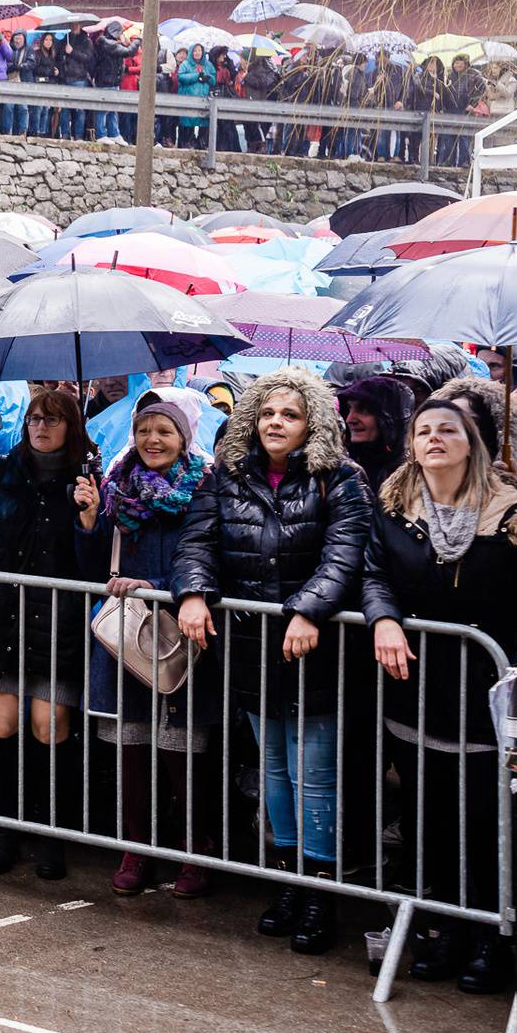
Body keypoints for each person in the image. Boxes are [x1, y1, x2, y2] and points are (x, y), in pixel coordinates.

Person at [172, 367, 371, 955]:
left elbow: (345, 554)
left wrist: (309, 610)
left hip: (316, 649)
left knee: (315, 776)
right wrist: (191, 593)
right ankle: (287, 883)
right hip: (251, 646)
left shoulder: (342, 478)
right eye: (266, 413)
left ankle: (318, 894)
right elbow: (196, 542)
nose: (275, 424)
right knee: (275, 771)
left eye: (289, 414)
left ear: (311, 422)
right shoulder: (226, 475)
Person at [362, 399, 517, 993]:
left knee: (485, 819)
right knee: (431, 816)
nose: (434, 438)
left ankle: (494, 938)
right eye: (423, 430)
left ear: (470, 440)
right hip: (417, 688)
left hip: (487, 690)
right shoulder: (393, 507)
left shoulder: (511, 513)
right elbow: (374, 574)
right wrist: (382, 619)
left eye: (446, 429)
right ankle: (448, 929)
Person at [0, 388, 93, 880]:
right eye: (34, 418)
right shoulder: (1, 471)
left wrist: (89, 519)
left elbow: (94, 566)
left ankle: (51, 834)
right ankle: (5, 829)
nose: (41, 427)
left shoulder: (87, 479)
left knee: (50, 727)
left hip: (58, 623)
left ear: (70, 427)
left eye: (52, 420)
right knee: (3, 726)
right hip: (0, 616)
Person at [75, 398, 217, 897]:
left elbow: (207, 560)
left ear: (183, 438)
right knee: (129, 749)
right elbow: (93, 567)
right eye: (143, 430)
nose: (152, 440)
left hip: (181, 635)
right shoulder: (116, 489)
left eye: (164, 431)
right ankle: (137, 846)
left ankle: (193, 852)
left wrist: (152, 584)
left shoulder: (205, 488)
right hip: (125, 640)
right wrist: (90, 522)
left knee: (182, 752)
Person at [337, 376, 414, 494]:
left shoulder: (413, 474)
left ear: (390, 418)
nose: (349, 419)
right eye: (349, 408)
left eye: (363, 410)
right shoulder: (340, 467)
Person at [175, 43, 215, 149]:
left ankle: (202, 143)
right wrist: (196, 76)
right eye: (195, 51)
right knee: (187, 121)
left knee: (204, 122)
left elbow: (214, 79)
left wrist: (207, 77)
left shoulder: (208, 65)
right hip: (188, 98)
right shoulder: (185, 64)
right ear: (191, 52)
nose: (197, 53)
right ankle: (186, 143)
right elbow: (181, 77)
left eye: (199, 50)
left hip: (203, 99)